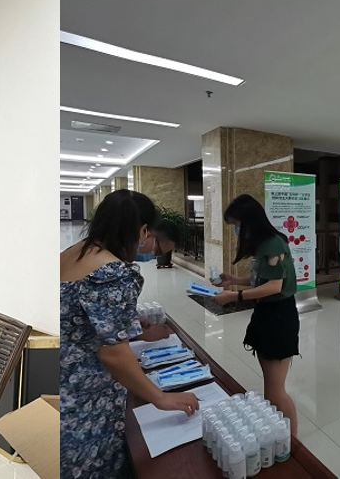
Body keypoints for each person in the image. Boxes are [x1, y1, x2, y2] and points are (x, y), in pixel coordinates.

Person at [60, 190, 198, 477]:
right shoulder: (113, 273)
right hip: (86, 398)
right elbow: (113, 353)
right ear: (142, 230)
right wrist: (160, 398)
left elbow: (82, 319)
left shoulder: (74, 252)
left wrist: (127, 325)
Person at [212, 194, 301, 438]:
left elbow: (274, 286)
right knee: (270, 386)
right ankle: (279, 434)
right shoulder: (263, 244)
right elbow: (260, 279)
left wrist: (234, 296)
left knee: (275, 391)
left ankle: (293, 442)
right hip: (266, 314)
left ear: (250, 221)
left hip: (279, 317)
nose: (236, 231)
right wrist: (233, 280)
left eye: (237, 225)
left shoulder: (273, 244)